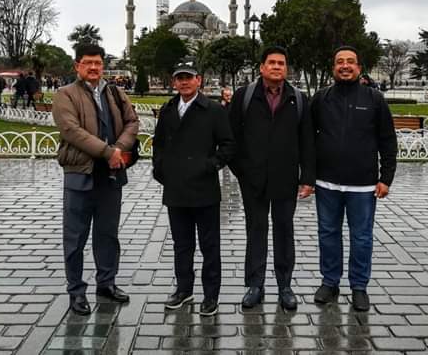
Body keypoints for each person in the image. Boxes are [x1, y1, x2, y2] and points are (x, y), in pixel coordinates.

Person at [52, 43, 139, 316]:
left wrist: (118, 150)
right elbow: (71, 130)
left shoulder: (114, 92)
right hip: (81, 175)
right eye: (87, 62)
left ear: (103, 65)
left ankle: (106, 283)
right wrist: (107, 152)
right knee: (75, 238)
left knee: (107, 235)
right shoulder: (65, 95)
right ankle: (76, 291)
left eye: (97, 63)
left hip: (110, 176)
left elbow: (132, 122)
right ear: (77, 65)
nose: (93, 67)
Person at [228, 46, 315, 311]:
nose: (276, 67)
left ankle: (284, 285)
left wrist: (308, 177)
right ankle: (255, 284)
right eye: (272, 63)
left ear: (286, 69)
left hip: (285, 179)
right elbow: (230, 138)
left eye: (281, 63)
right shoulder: (245, 97)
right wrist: (241, 171)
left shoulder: (298, 99)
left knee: (283, 231)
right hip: (252, 178)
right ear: (262, 67)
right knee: (256, 230)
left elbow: (307, 141)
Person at [310, 46, 397, 312]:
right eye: (339, 62)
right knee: (328, 234)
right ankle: (330, 281)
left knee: (361, 237)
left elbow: (387, 140)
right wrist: (308, 175)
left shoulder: (374, 99)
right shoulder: (321, 98)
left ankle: (359, 286)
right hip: (327, 183)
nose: (344, 66)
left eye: (350, 62)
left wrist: (386, 178)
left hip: (363, 184)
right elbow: (307, 138)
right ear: (333, 67)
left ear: (359, 67)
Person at [152, 61, 235, 316]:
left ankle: (211, 295)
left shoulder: (212, 110)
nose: (184, 82)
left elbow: (228, 145)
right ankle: (184, 288)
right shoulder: (168, 110)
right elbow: (159, 144)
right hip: (176, 188)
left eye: (189, 77)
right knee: (182, 244)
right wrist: (161, 169)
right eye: (180, 78)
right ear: (175, 82)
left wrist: (209, 166)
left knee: (209, 245)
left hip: (203, 188)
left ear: (198, 80)